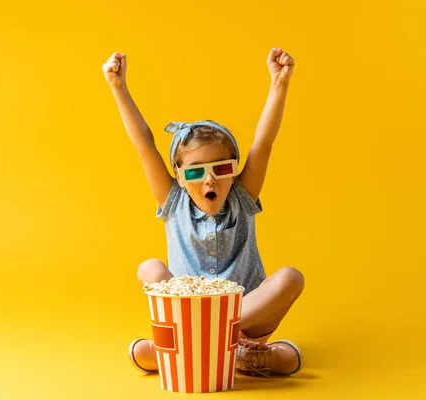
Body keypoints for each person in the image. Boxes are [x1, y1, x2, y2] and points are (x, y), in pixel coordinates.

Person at [101, 48, 305, 377]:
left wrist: (279, 83)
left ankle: (188, 346)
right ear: (179, 176)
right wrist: (118, 87)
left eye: (221, 168)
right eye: (196, 172)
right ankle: (235, 355)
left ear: (234, 170)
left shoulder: (242, 196)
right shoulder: (173, 201)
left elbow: (263, 142)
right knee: (150, 268)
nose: (209, 179)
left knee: (291, 278)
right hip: (187, 312)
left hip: (246, 322)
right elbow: (144, 144)